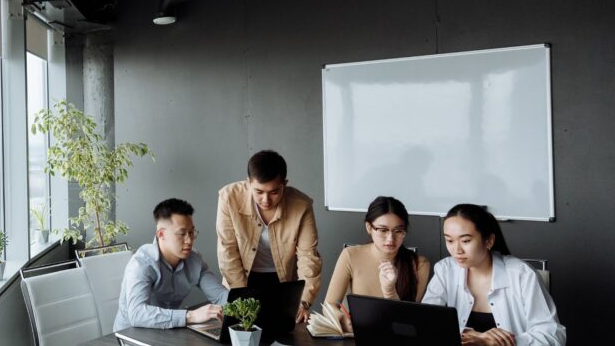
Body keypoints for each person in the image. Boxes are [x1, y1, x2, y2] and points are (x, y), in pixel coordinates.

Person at [422, 204, 566, 346]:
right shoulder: (446, 269)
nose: (456, 250)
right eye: (450, 240)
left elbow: (553, 336)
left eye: (465, 241)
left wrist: (505, 342)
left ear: (489, 241)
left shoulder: (522, 275)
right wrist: (472, 335)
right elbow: (425, 321)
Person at [216, 150, 322, 323]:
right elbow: (227, 251)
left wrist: (303, 301)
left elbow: (308, 257)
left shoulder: (302, 205)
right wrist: (241, 300)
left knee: (282, 334)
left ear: (284, 184)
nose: (265, 200)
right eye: (258, 191)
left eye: (274, 192)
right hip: (240, 279)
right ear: (248, 182)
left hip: (282, 281)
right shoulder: (229, 197)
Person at [113, 198, 228, 332]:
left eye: (191, 232)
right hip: (131, 335)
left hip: (169, 333)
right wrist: (191, 315)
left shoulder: (194, 260)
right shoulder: (142, 263)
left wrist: (242, 308)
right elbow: (137, 314)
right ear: (161, 234)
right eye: (182, 233)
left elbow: (220, 296)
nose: (189, 240)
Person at [323, 196, 430, 332]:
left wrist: (390, 290)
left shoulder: (420, 264)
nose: (390, 239)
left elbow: (407, 320)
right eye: (383, 230)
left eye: (398, 231)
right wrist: (344, 321)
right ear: (369, 227)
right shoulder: (350, 255)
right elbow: (329, 305)